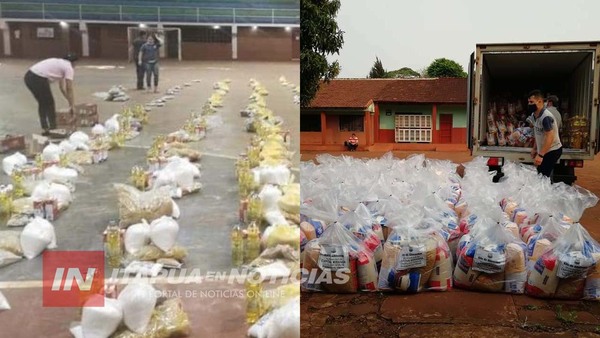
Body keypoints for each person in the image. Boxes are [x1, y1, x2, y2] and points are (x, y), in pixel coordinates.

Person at [24, 54, 78, 136]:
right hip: (38, 78)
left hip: (28, 77)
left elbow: (62, 88)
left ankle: (45, 128)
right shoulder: (68, 67)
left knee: (43, 102)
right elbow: (69, 88)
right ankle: (53, 128)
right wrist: (73, 105)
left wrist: (70, 102)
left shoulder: (60, 63)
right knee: (49, 103)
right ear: (74, 63)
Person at [528, 90, 562, 178]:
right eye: (528, 102)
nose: (529, 104)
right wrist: (535, 148)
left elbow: (550, 137)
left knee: (543, 177)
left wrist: (540, 155)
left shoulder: (546, 117)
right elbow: (538, 133)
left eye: (532, 102)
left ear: (539, 102)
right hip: (545, 150)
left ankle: (546, 191)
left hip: (552, 150)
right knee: (540, 175)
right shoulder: (534, 115)